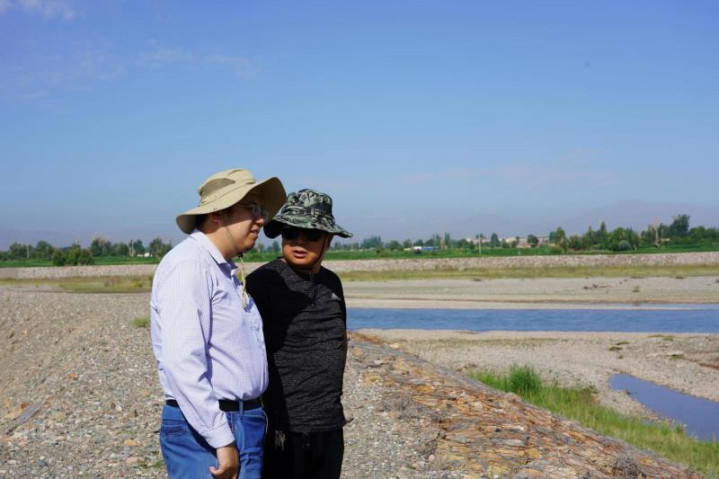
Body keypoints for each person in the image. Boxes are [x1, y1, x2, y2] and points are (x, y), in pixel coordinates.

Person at [150, 168, 286, 479]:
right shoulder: (189, 265)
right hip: (210, 428)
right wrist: (221, 438)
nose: (261, 220)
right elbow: (182, 362)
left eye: (262, 211)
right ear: (216, 214)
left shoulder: (222, 269)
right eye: (252, 209)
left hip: (241, 421)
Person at [246, 189, 353, 479]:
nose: (299, 242)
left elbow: (340, 339)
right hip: (281, 429)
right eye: (291, 233)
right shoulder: (262, 282)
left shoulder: (332, 283)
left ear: (328, 239)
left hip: (329, 424)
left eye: (311, 234)